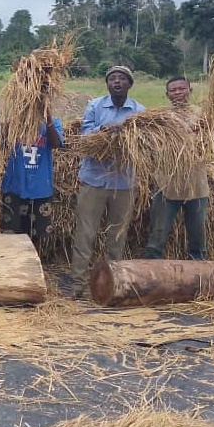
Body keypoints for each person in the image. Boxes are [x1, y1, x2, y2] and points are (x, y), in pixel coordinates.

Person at [68, 65, 145, 300]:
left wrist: (125, 133)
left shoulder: (140, 111)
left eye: (122, 78)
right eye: (113, 79)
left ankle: (114, 284)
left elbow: (144, 141)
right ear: (107, 84)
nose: (117, 82)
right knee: (85, 234)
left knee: (117, 236)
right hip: (93, 180)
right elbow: (85, 136)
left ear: (129, 84)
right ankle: (78, 285)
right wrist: (103, 130)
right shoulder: (95, 106)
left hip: (124, 182)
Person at [143, 76, 214, 261]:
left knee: (197, 238)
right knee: (157, 237)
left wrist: (209, 133)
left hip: (196, 186)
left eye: (182, 89)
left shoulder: (204, 115)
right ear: (167, 94)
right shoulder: (159, 118)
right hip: (166, 185)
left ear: (189, 90)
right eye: (173, 90)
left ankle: (198, 279)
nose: (178, 93)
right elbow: (151, 148)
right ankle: (150, 275)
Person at [0, 109, 63, 252]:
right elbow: (1, 140)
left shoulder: (53, 122)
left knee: (37, 236)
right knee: (11, 234)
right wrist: (18, 112)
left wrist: (47, 115)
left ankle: (33, 268)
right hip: (15, 186)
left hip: (40, 189)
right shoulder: (14, 122)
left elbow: (56, 143)